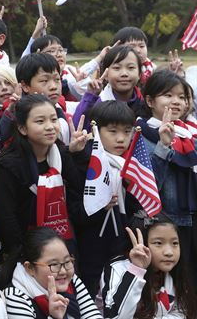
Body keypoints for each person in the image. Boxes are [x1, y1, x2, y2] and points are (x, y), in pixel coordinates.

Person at [0, 94, 87, 256]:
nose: (50, 126)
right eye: (40, 121)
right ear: (22, 128)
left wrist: (78, 154)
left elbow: (79, 188)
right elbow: (7, 216)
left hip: (62, 241)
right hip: (26, 247)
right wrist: (22, 253)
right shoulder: (9, 164)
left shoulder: (62, 154)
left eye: (53, 119)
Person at [74, 101, 142, 296]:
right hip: (91, 243)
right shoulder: (84, 162)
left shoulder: (132, 166)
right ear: (96, 130)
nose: (121, 138)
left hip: (121, 242)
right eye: (112, 131)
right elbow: (74, 211)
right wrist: (100, 207)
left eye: (127, 131)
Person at [136, 69, 197, 285]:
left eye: (182, 97)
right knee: (163, 285)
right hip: (162, 222)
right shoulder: (141, 135)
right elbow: (149, 184)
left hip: (190, 219)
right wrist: (163, 145)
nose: (177, 101)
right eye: (168, 95)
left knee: (188, 283)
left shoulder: (189, 134)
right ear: (150, 100)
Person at [100, 212, 197, 318]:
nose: (169, 252)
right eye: (158, 243)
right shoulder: (118, 268)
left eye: (174, 243)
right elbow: (117, 317)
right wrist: (136, 270)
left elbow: (180, 311)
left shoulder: (172, 271)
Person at [3, 227, 102, 319]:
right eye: (54, 264)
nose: (63, 271)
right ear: (30, 268)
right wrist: (55, 317)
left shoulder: (71, 280)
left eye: (67, 261)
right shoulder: (15, 296)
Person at [0, 53, 75, 145]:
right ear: (25, 86)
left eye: (57, 79)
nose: (53, 87)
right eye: (44, 81)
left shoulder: (64, 115)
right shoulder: (14, 117)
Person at [72, 45, 143, 132]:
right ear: (106, 74)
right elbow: (77, 129)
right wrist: (90, 97)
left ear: (139, 74)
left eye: (131, 68)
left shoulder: (146, 104)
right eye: (117, 68)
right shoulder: (98, 104)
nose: (124, 73)